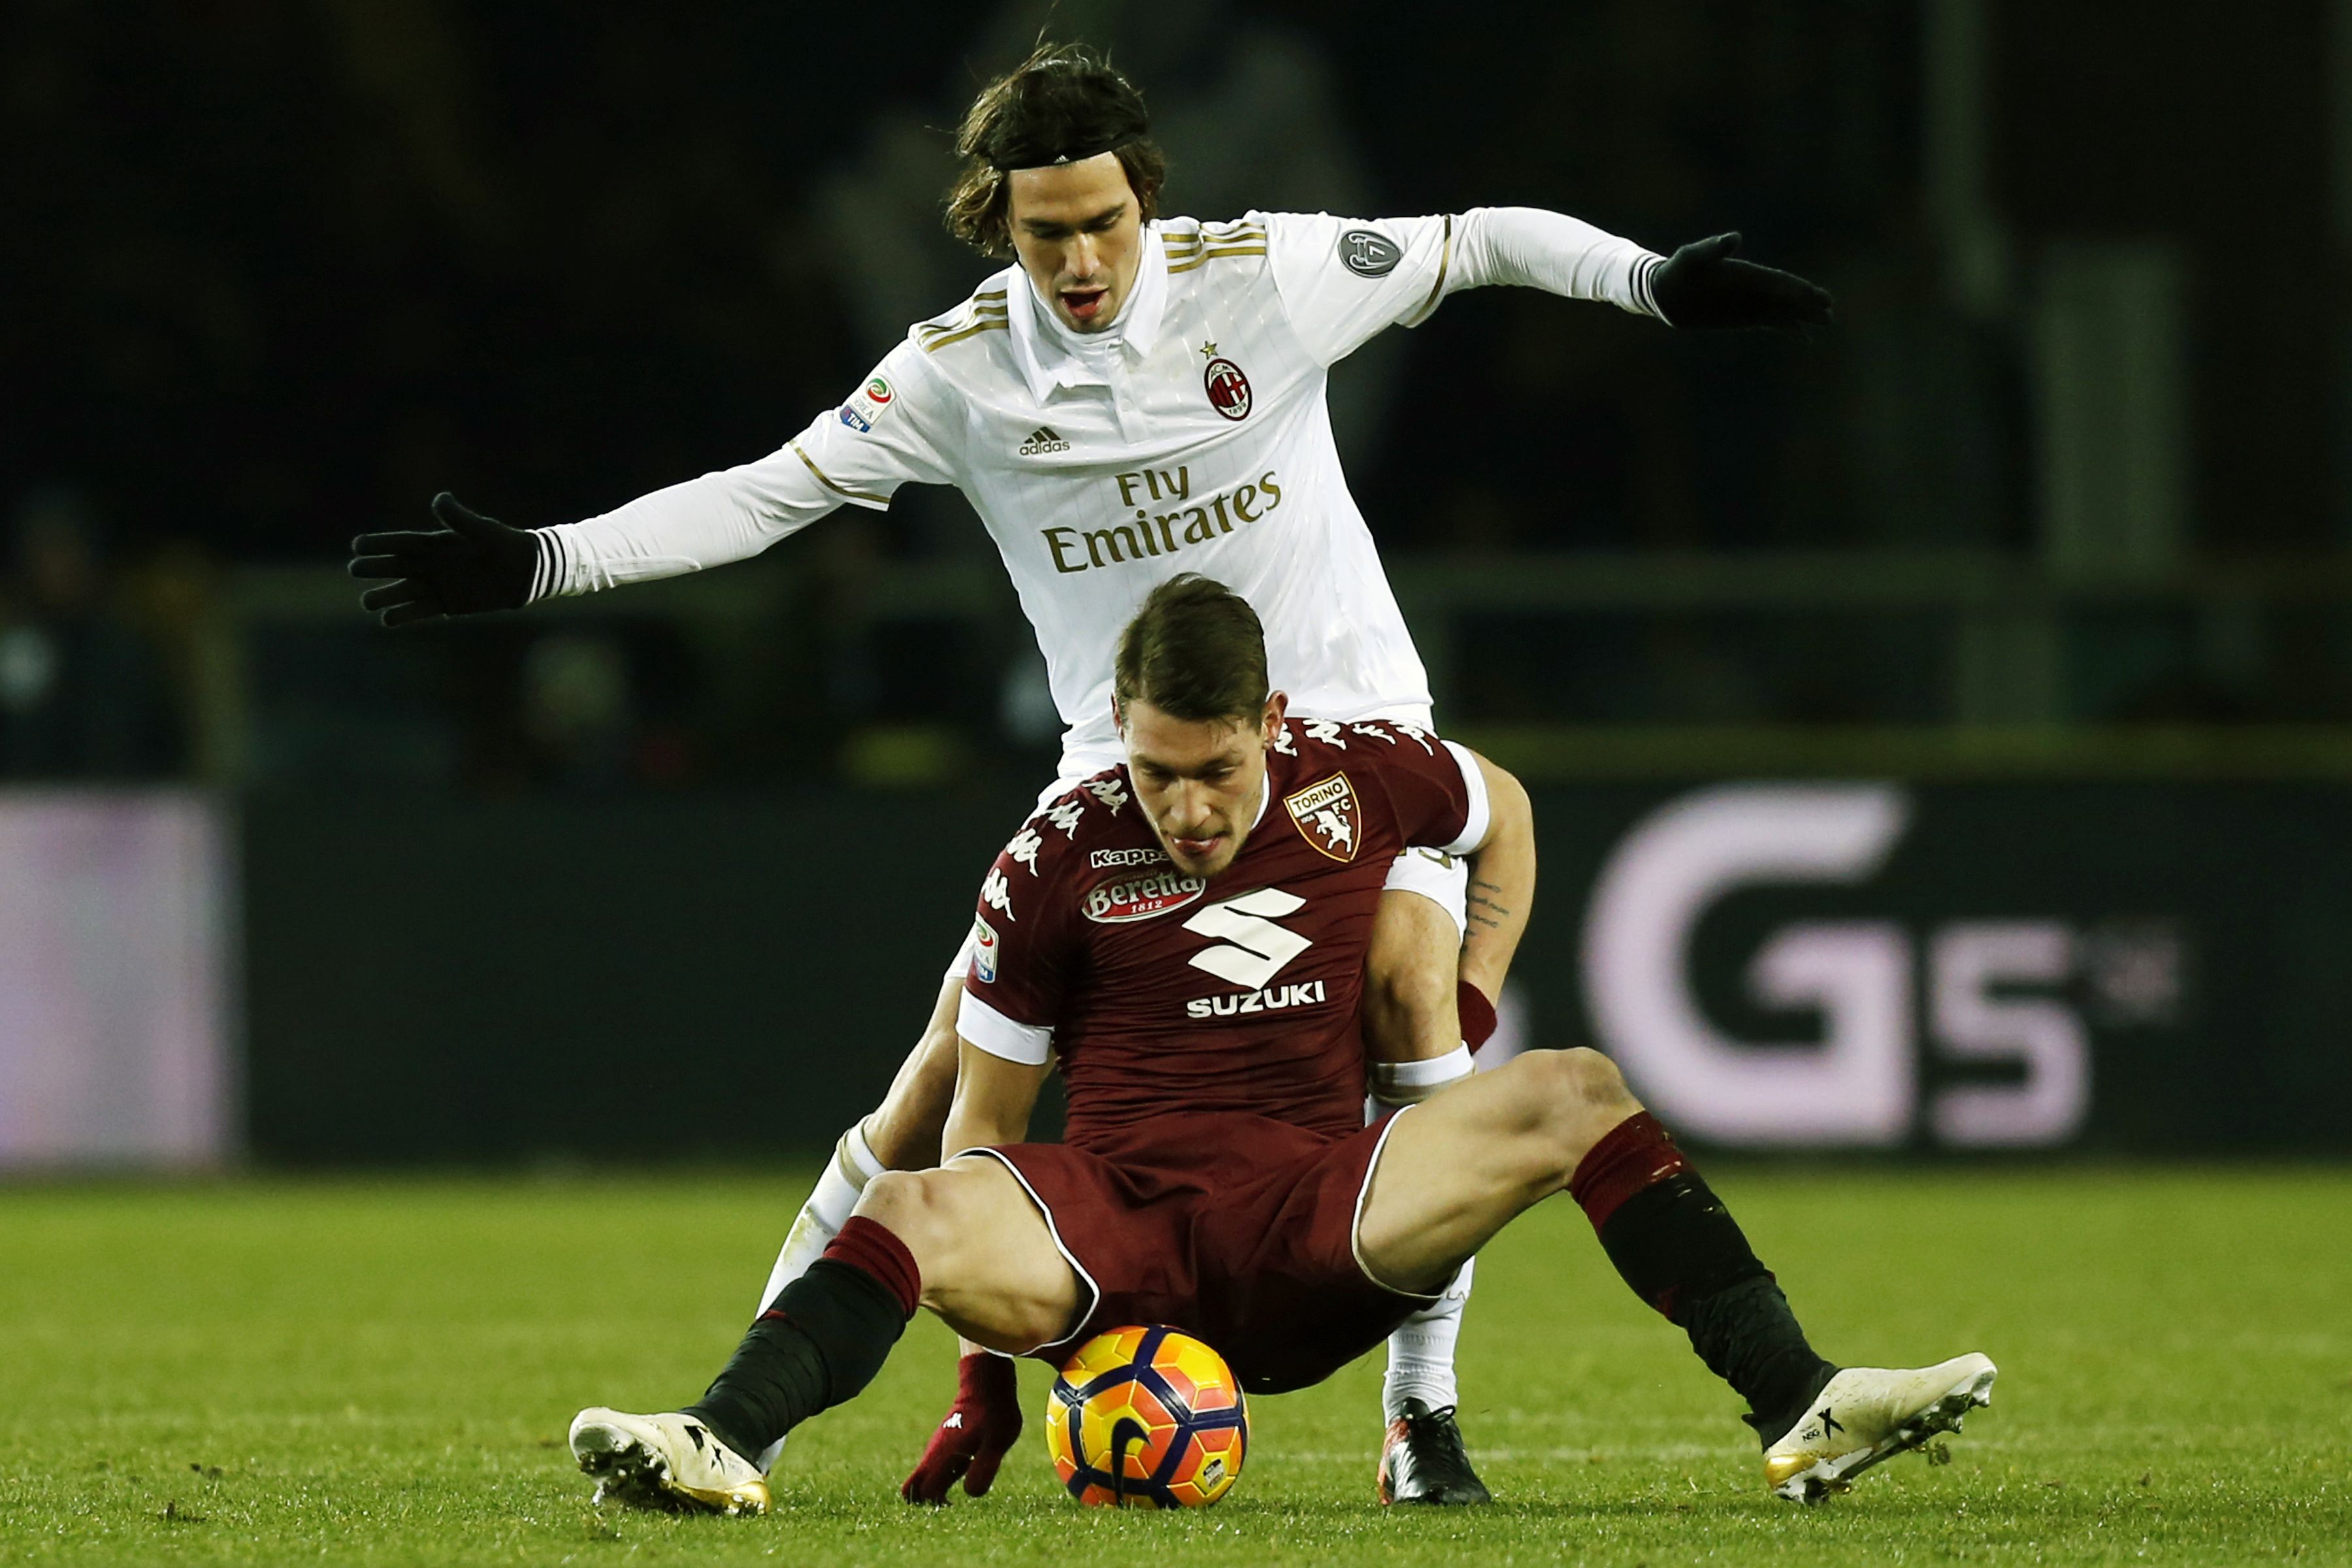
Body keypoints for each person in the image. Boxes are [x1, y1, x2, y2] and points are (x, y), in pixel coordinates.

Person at [350, 42, 1835, 1501]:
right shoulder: (958, 376)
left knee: (1401, 982)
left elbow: (1476, 240)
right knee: (934, 1085)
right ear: (998, 220)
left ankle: (1421, 1419)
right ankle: (740, 1430)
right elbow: (766, 496)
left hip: (1342, 734)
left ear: (1150, 203)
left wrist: (1648, 282)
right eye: (1045, 229)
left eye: (1105, 222)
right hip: (1126, 761)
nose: (1081, 259)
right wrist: (549, 561)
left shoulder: (1263, 275)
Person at [568, 576, 1995, 1516]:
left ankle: (1805, 1398)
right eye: (1154, 771)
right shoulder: (1055, 854)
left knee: (1576, 1092)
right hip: (1112, 1244)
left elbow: (1499, 812)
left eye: (1215, 771)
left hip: (1320, 1225)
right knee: (906, 1197)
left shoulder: (1360, 776)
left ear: (1272, 722)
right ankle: (726, 1440)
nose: (1185, 808)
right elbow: (985, 1133)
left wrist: (1473, 993)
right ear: (1119, 739)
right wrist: (984, 1372)